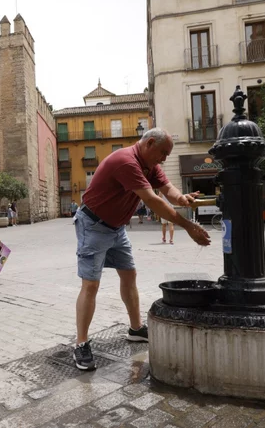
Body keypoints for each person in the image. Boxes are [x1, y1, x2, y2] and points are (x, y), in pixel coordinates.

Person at [72, 128, 211, 371]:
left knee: (129, 275)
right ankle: (81, 343)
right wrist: (187, 226)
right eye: (163, 153)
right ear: (148, 144)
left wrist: (181, 199)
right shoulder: (126, 161)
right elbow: (153, 200)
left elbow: (167, 190)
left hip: (116, 228)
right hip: (93, 225)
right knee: (91, 284)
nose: (164, 159)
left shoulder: (150, 164)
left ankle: (136, 329)